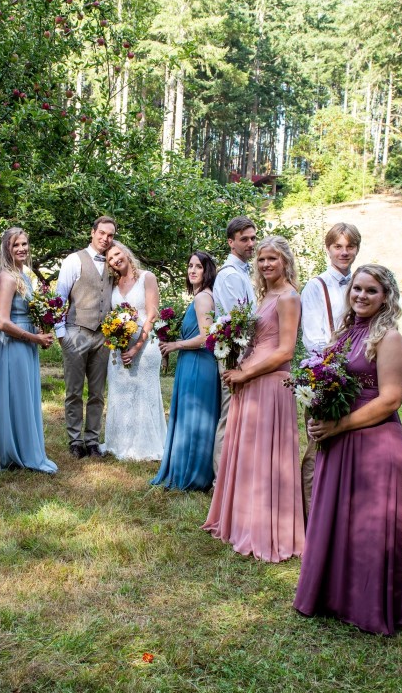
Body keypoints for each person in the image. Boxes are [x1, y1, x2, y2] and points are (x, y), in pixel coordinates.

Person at [293, 265, 402, 635]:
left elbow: (391, 399)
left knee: (368, 525)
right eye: (357, 289)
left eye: (371, 291)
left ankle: (367, 606)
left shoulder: (388, 338)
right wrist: (315, 409)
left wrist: (338, 425)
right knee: (335, 517)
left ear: (386, 297)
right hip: (338, 438)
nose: (361, 296)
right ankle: (332, 596)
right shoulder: (344, 332)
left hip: (374, 440)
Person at [203, 235, 304, 562]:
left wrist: (246, 373)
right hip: (249, 380)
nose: (265, 264)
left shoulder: (288, 297)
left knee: (265, 455)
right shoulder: (266, 295)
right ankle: (241, 519)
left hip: (270, 384)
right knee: (247, 452)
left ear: (285, 260)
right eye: (261, 259)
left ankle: (266, 527)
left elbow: (285, 351)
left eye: (272, 258)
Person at [299, 222, 361, 521]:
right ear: (328, 249)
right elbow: (313, 337)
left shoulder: (361, 284)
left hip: (358, 377)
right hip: (326, 376)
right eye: (338, 246)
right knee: (318, 444)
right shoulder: (316, 286)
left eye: (350, 246)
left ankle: (342, 515)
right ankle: (312, 517)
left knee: (348, 447)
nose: (344, 252)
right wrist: (336, 367)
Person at [0, 227, 57, 473]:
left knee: (25, 395)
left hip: (27, 342)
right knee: (16, 395)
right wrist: (34, 337)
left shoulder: (24, 275)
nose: (21, 249)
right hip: (15, 344)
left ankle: (26, 446)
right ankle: (15, 451)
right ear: (7, 248)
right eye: (16, 245)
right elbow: (3, 322)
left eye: (25, 244)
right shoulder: (7, 277)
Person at [152, 251, 220, 490]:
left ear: (207, 270)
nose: (192, 270)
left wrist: (174, 345)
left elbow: (207, 337)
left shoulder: (203, 298)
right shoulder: (203, 296)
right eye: (190, 266)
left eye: (198, 267)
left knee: (195, 418)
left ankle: (193, 474)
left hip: (198, 363)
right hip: (193, 362)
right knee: (194, 418)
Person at [55, 216, 117, 458]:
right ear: (92, 233)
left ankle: (92, 440)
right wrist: (62, 334)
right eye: (101, 233)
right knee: (73, 390)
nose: (105, 238)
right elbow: (60, 297)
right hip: (76, 331)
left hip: (103, 336)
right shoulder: (74, 260)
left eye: (110, 235)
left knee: (97, 392)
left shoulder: (113, 262)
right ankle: (74, 440)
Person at [101, 241, 166, 461]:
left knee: (144, 391)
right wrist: (117, 341)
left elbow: (152, 314)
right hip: (120, 347)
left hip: (145, 345)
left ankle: (146, 445)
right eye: (110, 258)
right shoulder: (113, 283)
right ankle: (120, 442)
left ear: (126, 253)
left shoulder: (147, 277)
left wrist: (138, 345)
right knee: (121, 392)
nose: (115, 260)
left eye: (117, 254)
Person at [210, 216, 258, 476]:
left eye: (253, 238)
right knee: (229, 416)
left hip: (247, 355)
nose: (251, 243)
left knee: (240, 416)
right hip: (235, 354)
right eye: (244, 239)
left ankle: (236, 475)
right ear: (231, 243)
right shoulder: (229, 276)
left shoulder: (244, 273)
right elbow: (238, 321)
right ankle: (221, 479)